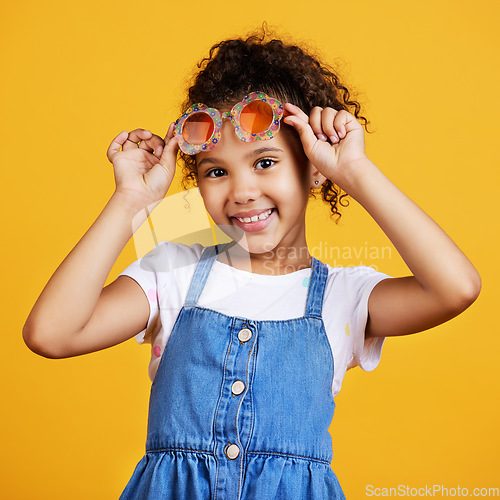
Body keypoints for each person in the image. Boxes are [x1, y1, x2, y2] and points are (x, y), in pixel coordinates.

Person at [23, 26, 481, 500]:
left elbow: (456, 288)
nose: (241, 192)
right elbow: (51, 334)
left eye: (265, 162)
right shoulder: (171, 273)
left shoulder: (345, 297)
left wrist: (355, 172)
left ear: (314, 166)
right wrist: (129, 202)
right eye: (216, 171)